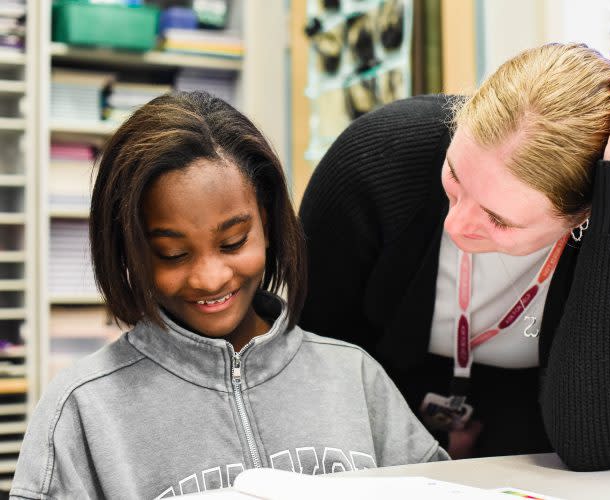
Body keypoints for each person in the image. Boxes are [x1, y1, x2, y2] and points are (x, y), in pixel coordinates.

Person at [11, 92, 447, 499]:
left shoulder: (354, 375)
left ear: (270, 224)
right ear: (128, 252)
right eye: (172, 254)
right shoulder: (83, 408)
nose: (209, 277)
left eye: (234, 242)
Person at [298, 43, 610, 471]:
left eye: (499, 219)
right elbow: (315, 363)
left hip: (533, 460)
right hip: (370, 450)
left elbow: (595, 443)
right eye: (454, 178)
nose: (457, 225)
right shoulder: (378, 156)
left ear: (583, 214)